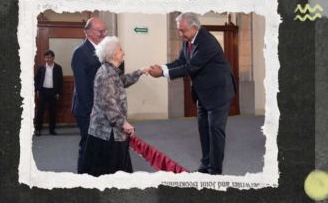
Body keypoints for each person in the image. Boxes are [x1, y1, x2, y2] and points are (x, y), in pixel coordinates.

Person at [149, 12, 236, 175]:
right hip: (203, 93)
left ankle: (215, 172)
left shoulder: (207, 42)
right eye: (179, 30)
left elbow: (191, 68)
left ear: (195, 28)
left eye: (183, 31)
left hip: (219, 92)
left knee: (215, 131)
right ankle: (205, 166)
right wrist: (162, 68)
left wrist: (162, 74)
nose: (180, 34)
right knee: (203, 130)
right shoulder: (188, 40)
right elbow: (181, 62)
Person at [81, 36, 149, 177]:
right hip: (106, 133)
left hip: (111, 131)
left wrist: (140, 71)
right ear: (113, 54)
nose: (123, 52)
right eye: (120, 50)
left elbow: (123, 81)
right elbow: (108, 103)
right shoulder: (106, 74)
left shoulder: (111, 71)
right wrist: (123, 122)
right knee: (108, 172)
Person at [71, 17, 107, 173]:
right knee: (87, 147)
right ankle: (84, 179)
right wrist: (92, 111)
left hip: (100, 108)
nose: (104, 34)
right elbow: (82, 87)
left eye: (105, 30)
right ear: (89, 32)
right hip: (88, 111)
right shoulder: (80, 52)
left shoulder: (102, 50)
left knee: (98, 147)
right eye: (101, 31)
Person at [34, 50, 63, 136]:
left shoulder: (58, 68)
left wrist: (58, 92)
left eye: (49, 57)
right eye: (46, 57)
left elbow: (60, 81)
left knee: (53, 112)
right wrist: (37, 90)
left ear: (53, 58)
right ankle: (38, 129)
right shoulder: (41, 67)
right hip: (43, 91)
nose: (47, 59)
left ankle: (52, 130)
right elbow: (36, 79)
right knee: (40, 112)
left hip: (53, 92)